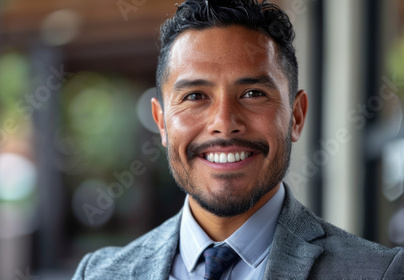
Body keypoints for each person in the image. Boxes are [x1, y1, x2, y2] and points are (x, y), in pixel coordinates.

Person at [72, 0, 404, 279]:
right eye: (195, 96)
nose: (224, 123)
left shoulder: (379, 272)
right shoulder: (99, 273)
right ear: (161, 123)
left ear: (296, 116)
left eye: (252, 93)